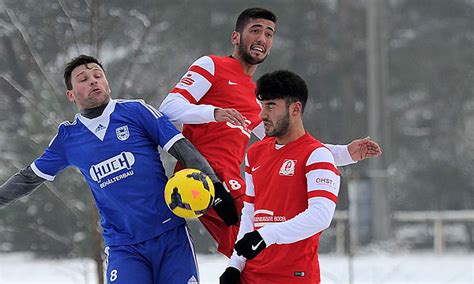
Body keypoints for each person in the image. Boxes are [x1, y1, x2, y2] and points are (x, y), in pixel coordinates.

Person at [158, 7, 382, 257]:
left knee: (261, 252)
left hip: (233, 181)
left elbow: (291, 144)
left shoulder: (255, 97)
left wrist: (345, 153)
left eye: (269, 34)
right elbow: (168, 108)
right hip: (202, 179)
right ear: (236, 37)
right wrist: (214, 112)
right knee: (259, 252)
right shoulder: (212, 65)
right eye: (255, 31)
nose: (262, 39)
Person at [0, 54, 238, 284]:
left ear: (107, 82)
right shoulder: (67, 138)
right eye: (83, 78)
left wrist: (217, 189)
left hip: (170, 236)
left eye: (98, 75)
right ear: (70, 94)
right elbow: (29, 178)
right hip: (124, 247)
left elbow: (183, 149)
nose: (93, 80)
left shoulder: (136, 112)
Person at [220, 70, 343, 283]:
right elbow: (250, 213)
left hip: (293, 277)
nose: (262, 115)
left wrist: (266, 236)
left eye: (271, 106)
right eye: (261, 106)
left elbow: (320, 216)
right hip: (250, 276)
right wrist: (235, 264)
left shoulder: (317, 155)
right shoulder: (255, 153)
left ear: (295, 109)